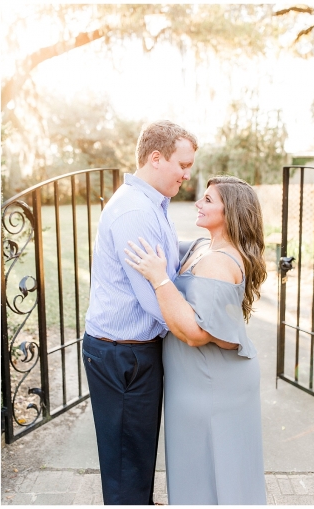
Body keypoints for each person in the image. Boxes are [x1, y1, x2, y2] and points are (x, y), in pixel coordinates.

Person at [124, 175, 267, 505]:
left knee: (214, 470)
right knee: (196, 468)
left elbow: (194, 333)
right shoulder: (205, 246)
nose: (198, 204)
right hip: (196, 382)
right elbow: (163, 238)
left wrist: (159, 278)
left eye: (207, 200)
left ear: (230, 211)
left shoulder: (219, 261)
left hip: (212, 386)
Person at [83, 120, 197, 504]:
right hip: (122, 355)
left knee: (137, 452)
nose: (187, 173)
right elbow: (153, 299)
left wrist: (205, 247)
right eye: (183, 164)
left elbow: (167, 254)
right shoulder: (134, 211)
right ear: (156, 158)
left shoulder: (152, 204)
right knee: (125, 463)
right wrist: (197, 331)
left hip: (133, 351)